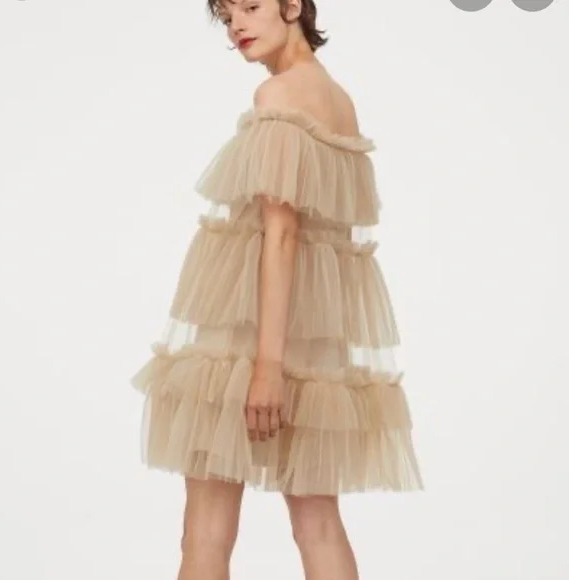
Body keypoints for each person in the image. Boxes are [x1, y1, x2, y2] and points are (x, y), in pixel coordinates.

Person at [130, 1, 424, 578]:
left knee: (205, 529)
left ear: (293, 6)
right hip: (313, 340)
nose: (237, 24)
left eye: (251, 6)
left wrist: (266, 369)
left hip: (249, 336)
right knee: (317, 521)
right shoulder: (338, 99)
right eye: (226, 15)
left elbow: (283, 234)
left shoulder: (279, 95)